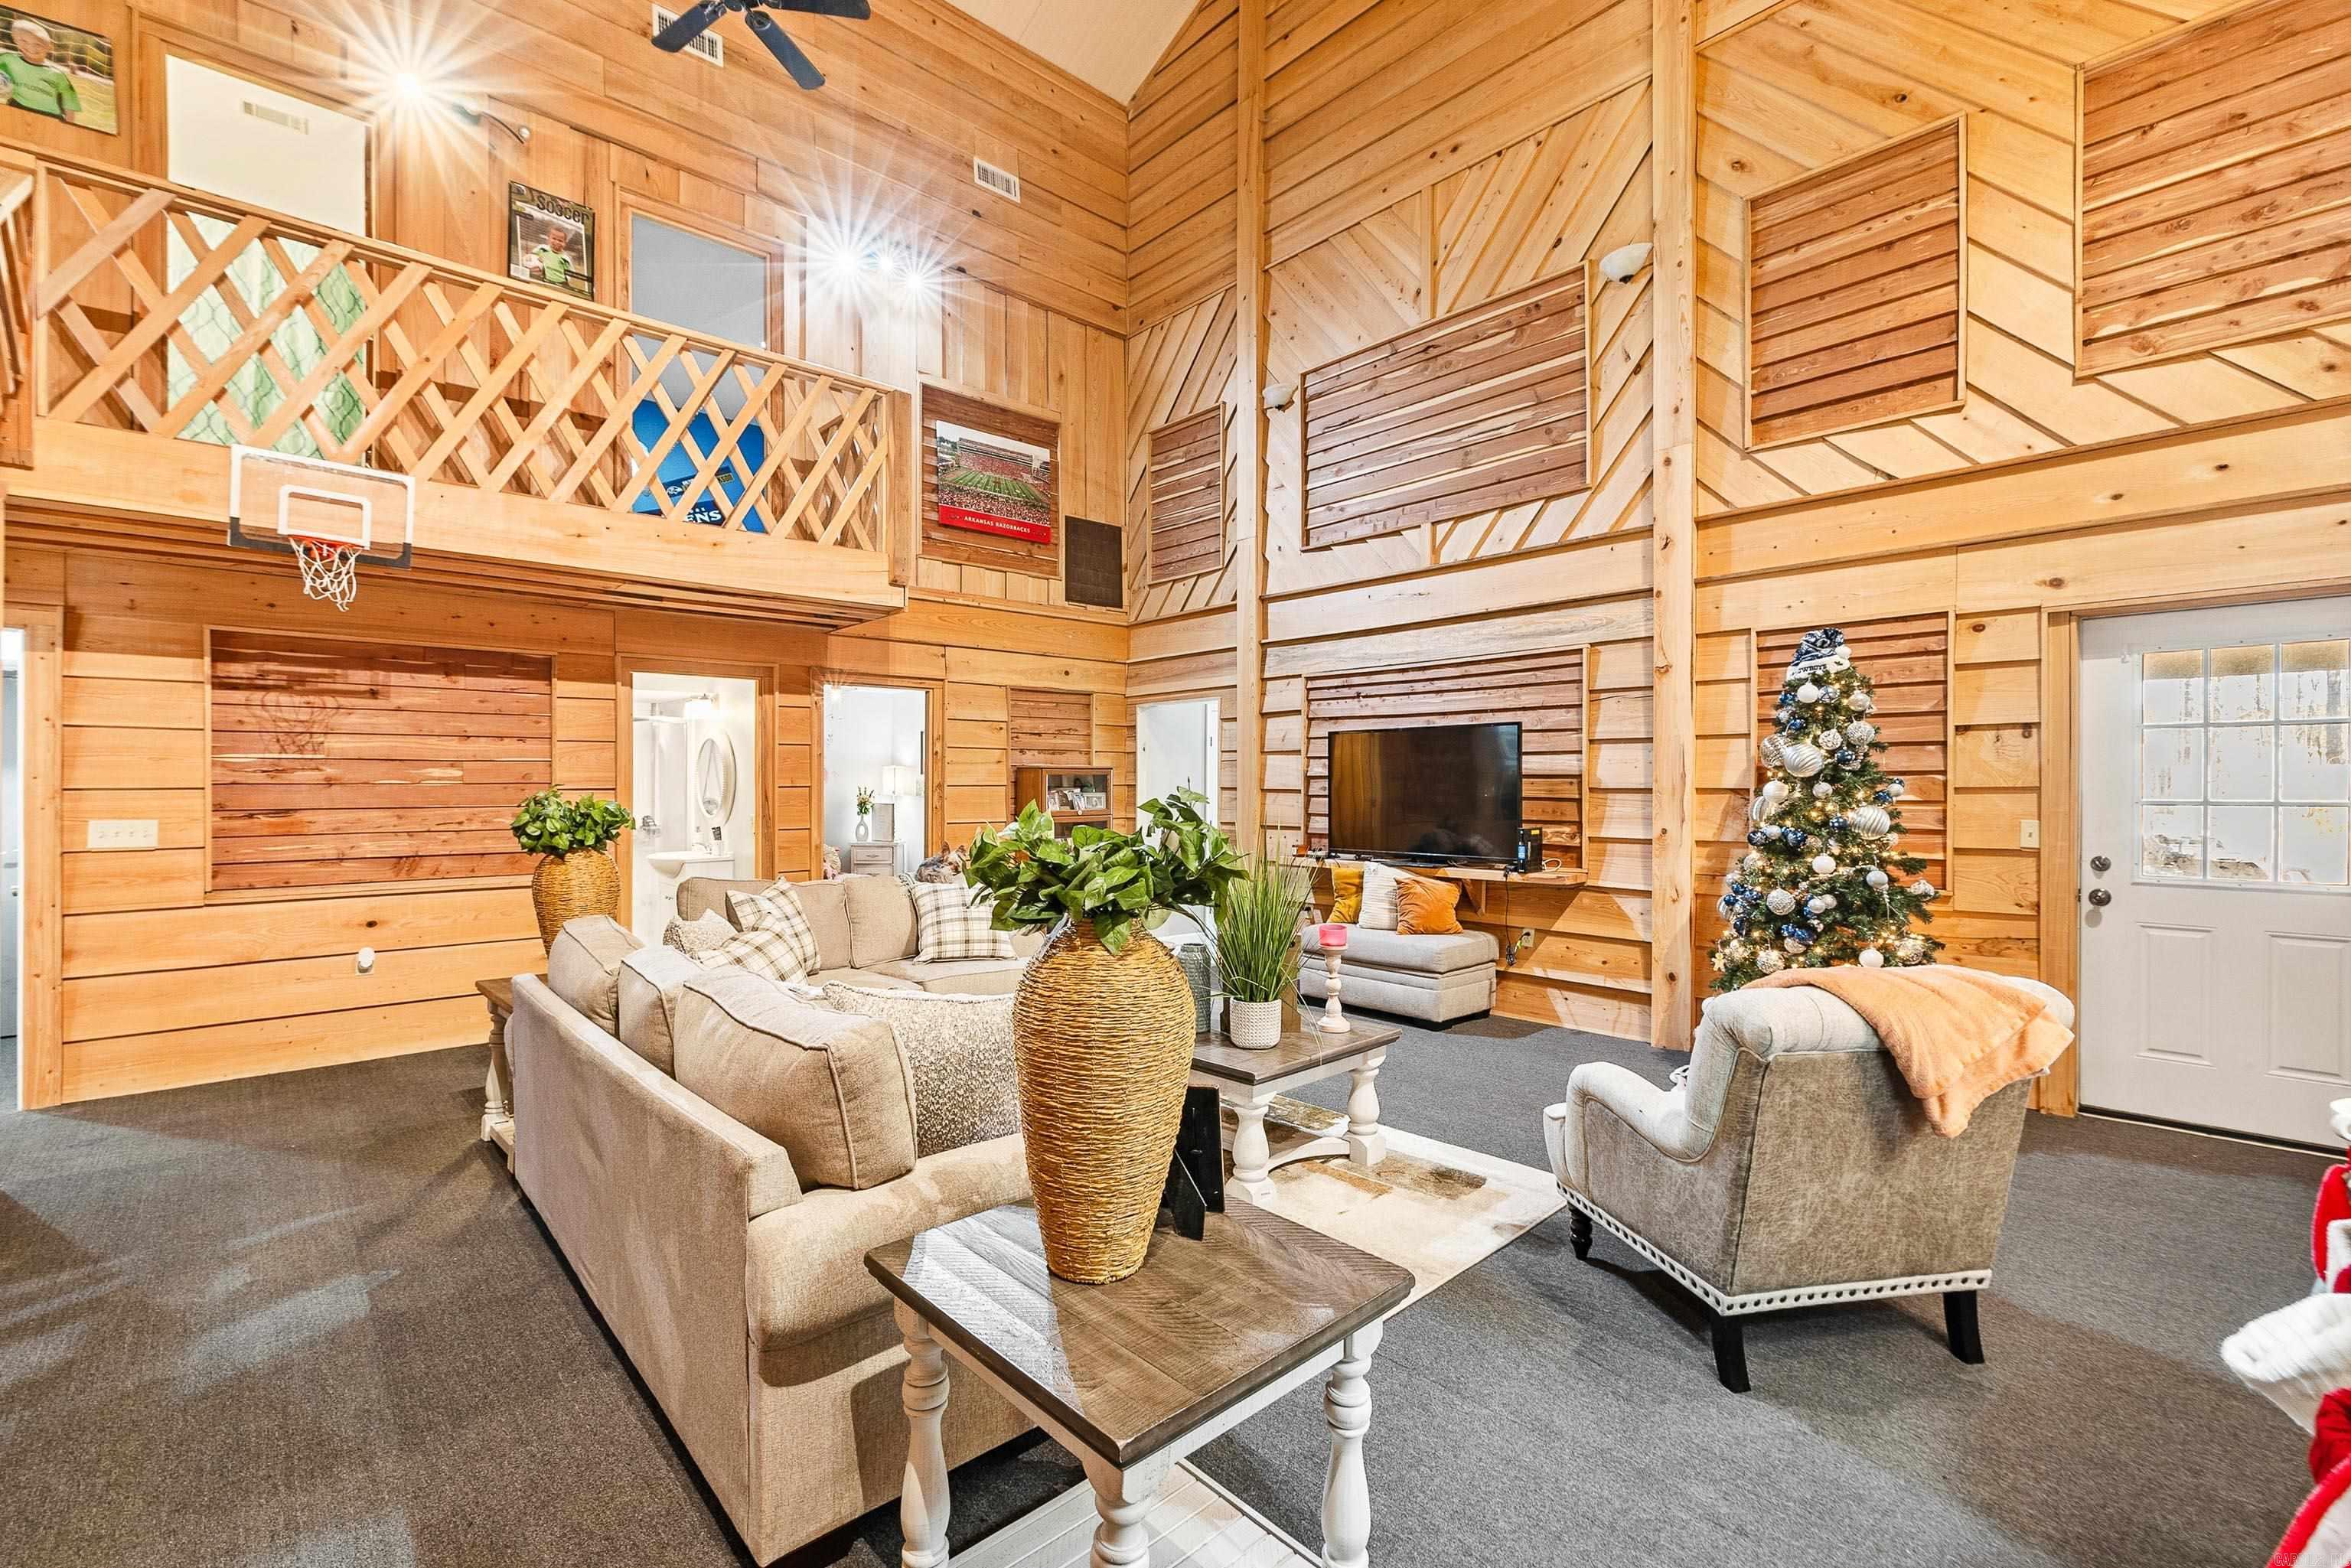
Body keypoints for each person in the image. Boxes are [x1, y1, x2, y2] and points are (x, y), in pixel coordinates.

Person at [0, 16, 83, 126]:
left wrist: (68, 126)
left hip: (49, 116)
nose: (31, 47)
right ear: (15, 41)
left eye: (38, 44)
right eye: (23, 41)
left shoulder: (57, 75)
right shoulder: (7, 60)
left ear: (49, 47)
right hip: (16, 107)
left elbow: (69, 103)